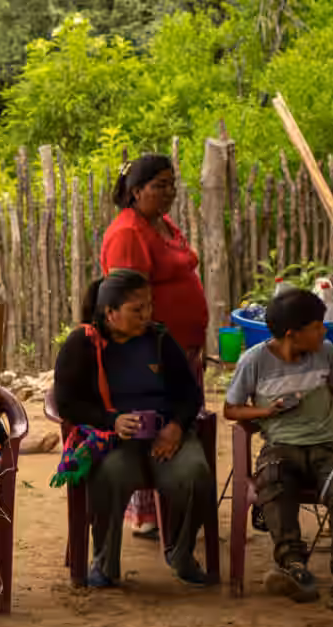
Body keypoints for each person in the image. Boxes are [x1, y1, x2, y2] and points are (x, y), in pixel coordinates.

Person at [51, 270, 214, 589]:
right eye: (137, 310)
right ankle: (104, 563)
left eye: (149, 306)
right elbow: (67, 403)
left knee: (195, 474)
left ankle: (182, 556)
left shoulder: (159, 340)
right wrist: (111, 421)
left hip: (165, 435)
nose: (147, 315)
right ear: (110, 314)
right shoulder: (83, 344)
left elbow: (189, 393)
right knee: (112, 473)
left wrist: (177, 427)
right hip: (115, 440)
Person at [223, 290, 333, 611]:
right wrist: (266, 413)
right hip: (282, 447)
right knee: (274, 480)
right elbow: (231, 410)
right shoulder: (254, 360)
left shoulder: (326, 353)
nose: (324, 332)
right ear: (293, 334)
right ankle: (294, 568)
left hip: (328, 446)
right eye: (317, 326)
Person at [101, 155, 209, 540]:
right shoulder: (128, 233)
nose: (169, 192)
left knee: (179, 421)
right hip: (157, 354)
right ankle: (153, 518)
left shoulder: (161, 223)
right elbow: (128, 300)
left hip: (182, 350)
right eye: (159, 185)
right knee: (153, 423)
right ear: (136, 191)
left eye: (171, 183)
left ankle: (173, 513)